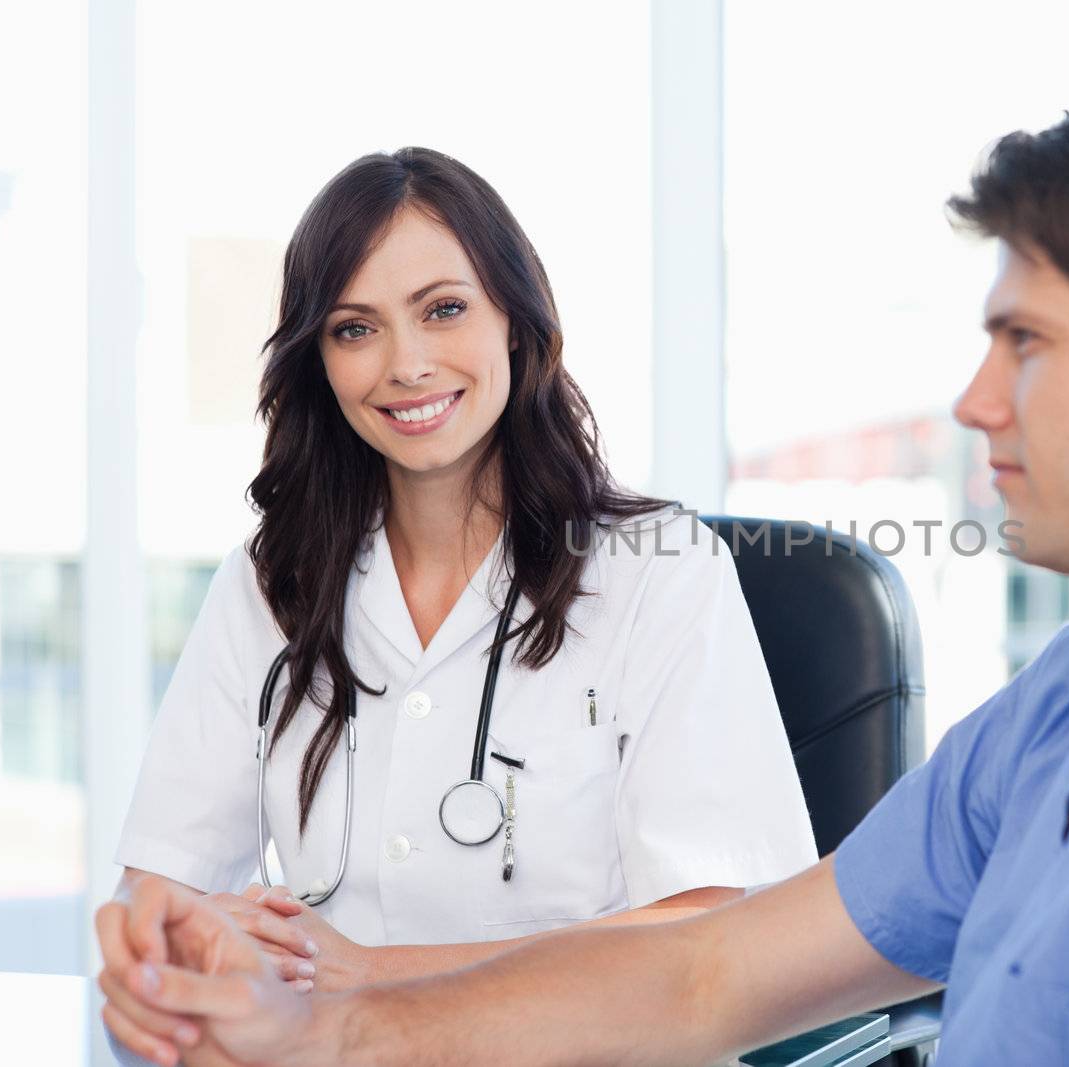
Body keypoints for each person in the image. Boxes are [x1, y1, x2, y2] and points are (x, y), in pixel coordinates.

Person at [97, 62, 1069, 1067]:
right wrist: (331, 1022)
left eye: (1025, 342)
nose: (973, 399)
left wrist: (345, 1007)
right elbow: (715, 970)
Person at [97, 147, 818, 1062]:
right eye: (355, 329)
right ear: (318, 360)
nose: (406, 364)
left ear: (515, 320)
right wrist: (176, 948)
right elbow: (156, 887)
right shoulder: (270, 581)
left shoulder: (658, 572)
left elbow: (719, 931)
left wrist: (372, 974)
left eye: (444, 310)